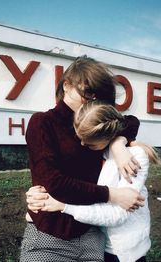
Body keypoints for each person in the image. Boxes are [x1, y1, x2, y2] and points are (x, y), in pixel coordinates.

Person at [20, 56, 145, 262]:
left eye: (100, 97)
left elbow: (130, 121)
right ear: (67, 85)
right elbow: (55, 184)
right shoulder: (43, 122)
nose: (94, 101)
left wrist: (117, 143)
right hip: (51, 235)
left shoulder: (99, 125)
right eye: (88, 93)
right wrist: (112, 194)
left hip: (92, 235)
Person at [27, 102, 161, 262]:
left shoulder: (134, 158)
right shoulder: (98, 151)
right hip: (98, 244)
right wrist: (38, 193)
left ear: (106, 137)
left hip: (124, 251)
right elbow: (78, 183)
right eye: (81, 140)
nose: (83, 144)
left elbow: (118, 215)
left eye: (88, 142)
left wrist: (64, 207)